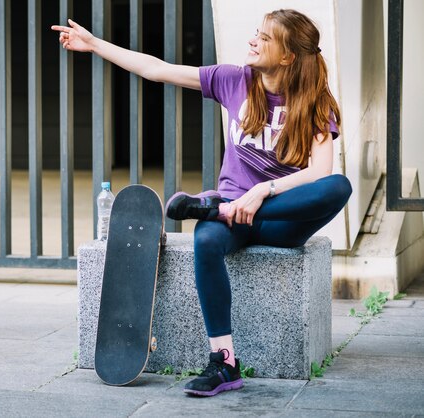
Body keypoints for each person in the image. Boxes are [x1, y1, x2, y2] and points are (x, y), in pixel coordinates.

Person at [52, 9, 351, 397]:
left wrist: (262, 192)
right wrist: (94, 45)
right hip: (230, 215)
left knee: (338, 186)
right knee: (206, 241)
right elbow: (156, 69)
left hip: (281, 219)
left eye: (263, 38)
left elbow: (318, 174)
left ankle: (214, 208)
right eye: (255, 34)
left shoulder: (314, 100)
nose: (252, 41)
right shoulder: (234, 81)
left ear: (287, 55)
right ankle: (223, 363)